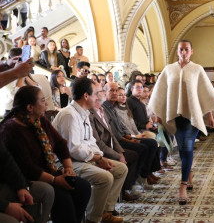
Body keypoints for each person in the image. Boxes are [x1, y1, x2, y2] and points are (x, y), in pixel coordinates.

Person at [148, 39, 214, 205]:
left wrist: (210, 113)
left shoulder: (197, 69)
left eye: (186, 49)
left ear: (191, 51)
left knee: (187, 147)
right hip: (175, 116)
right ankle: (188, 173)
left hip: (193, 116)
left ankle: (182, 186)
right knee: (182, 149)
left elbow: (206, 93)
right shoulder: (168, 70)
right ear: (177, 51)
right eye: (181, 49)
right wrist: (158, 112)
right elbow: (160, 92)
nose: (183, 52)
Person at [1, 86, 91, 223]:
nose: (46, 104)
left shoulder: (40, 120)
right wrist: (55, 180)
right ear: (30, 107)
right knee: (63, 198)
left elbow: (60, 143)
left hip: (49, 171)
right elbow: (27, 167)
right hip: (28, 178)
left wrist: (68, 168)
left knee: (82, 188)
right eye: (43, 101)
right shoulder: (11, 130)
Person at [52, 77, 127, 223]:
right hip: (66, 163)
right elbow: (73, 149)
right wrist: (98, 159)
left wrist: (99, 157)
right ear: (86, 96)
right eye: (96, 93)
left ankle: (105, 210)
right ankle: (93, 218)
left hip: (82, 158)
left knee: (120, 169)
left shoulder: (83, 113)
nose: (98, 97)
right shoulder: (70, 115)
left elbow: (91, 141)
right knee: (105, 177)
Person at [89, 83, 141, 201]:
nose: (115, 94)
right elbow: (98, 142)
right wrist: (116, 154)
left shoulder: (102, 110)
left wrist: (120, 152)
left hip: (111, 147)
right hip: (101, 152)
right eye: (102, 91)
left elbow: (111, 134)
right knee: (129, 158)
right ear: (95, 96)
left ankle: (123, 191)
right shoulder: (91, 113)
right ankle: (116, 197)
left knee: (131, 155)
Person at [102, 82, 159, 189]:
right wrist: (131, 140)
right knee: (143, 148)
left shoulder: (112, 107)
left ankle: (143, 175)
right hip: (117, 142)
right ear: (104, 92)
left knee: (152, 143)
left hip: (124, 137)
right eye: (111, 91)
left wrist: (131, 137)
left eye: (116, 91)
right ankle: (134, 182)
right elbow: (114, 134)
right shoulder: (105, 108)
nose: (115, 93)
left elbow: (122, 127)